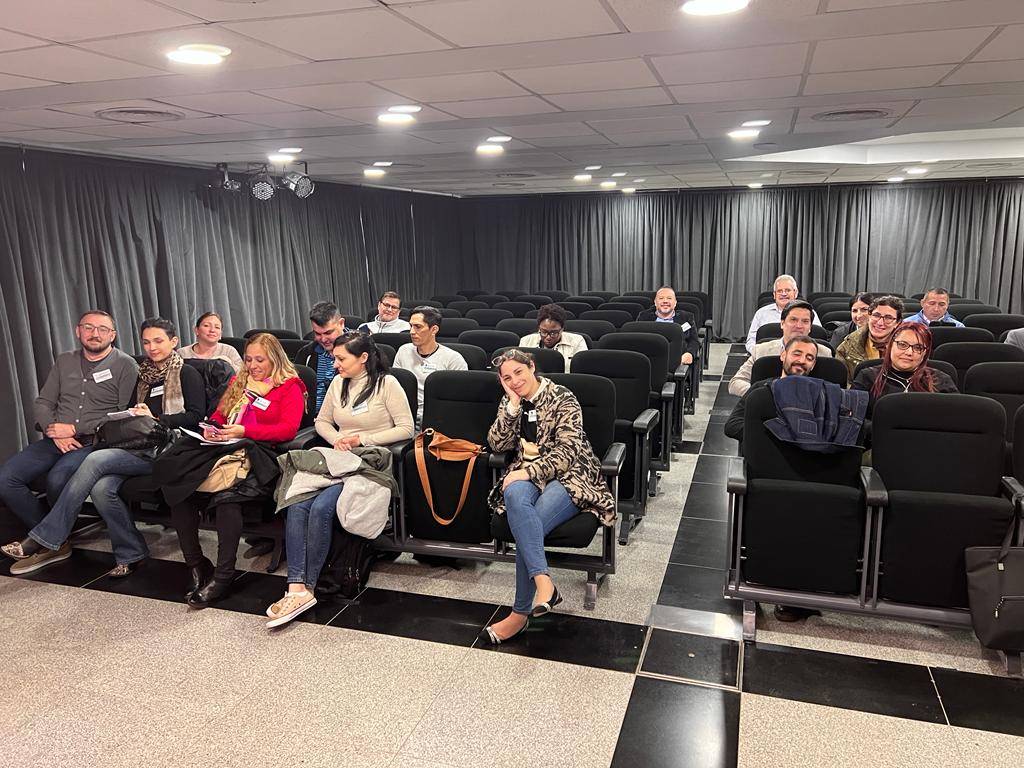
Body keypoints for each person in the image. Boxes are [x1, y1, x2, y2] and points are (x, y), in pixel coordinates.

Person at [2, 318, 205, 577]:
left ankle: (47, 536)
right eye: (146, 342)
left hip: (169, 450)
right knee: (101, 489)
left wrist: (157, 418)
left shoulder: (186, 373)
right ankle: (131, 553)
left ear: (173, 342)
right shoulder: (142, 375)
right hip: (136, 446)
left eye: (158, 341)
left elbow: (197, 417)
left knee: (95, 460)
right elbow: (126, 414)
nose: (152, 348)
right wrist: (133, 415)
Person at [265, 333, 414, 627]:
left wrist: (361, 439)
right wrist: (337, 439)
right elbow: (322, 422)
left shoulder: (387, 384)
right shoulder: (338, 383)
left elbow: (406, 429)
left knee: (321, 508)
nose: (335, 364)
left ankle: (308, 587)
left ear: (363, 358)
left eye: (341, 359)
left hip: (370, 461)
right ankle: (296, 586)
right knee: (297, 503)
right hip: (338, 458)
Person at [481, 349, 615, 644]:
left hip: (569, 474)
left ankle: (519, 614)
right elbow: (497, 444)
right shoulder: (511, 401)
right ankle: (544, 584)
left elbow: (568, 452)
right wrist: (512, 407)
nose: (515, 381)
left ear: (532, 367)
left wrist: (528, 472)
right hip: (527, 473)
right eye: (507, 378)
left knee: (530, 524)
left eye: (519, 372)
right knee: (514, 494)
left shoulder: (562, 397)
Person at [162, 333, 306, 607]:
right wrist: (213, 428)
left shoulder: (290, 386)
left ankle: (223, 576)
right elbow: (220, 415)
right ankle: (196, 564)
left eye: (260, 360)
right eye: (248, 359)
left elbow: (288, 430)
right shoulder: (239, 381)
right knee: (179, 488)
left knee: (228, 500)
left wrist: (244, 431)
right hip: (225, 448)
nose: (252, 366)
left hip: (262, 456)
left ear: (275, 359)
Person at [0, 310, 137, 574]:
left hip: (94, 442)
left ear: (113, 335)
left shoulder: (125, 365)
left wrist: (74, 429)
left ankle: (46, 540)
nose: (95, 334)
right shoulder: (65, 361)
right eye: (89, 327)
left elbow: (122, 415)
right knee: (6, 479)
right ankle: (54, 539)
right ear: (78, 331)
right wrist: (56, 432)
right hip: (55, 439)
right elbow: (43, 403)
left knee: (57, 479)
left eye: (102, 329)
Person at [724, 335, 819, 450]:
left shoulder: (821, 395)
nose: (802, 361)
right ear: (783, 355)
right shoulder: (760, 390)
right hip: (766, 453)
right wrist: (775, 436)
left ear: (813, 365)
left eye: (809, 358)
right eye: (796, 354)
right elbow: (732, 425)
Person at [851, 321, 958, 419]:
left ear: (925, 353)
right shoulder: (867, 377)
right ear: (890, 345)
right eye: (902, 345)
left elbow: (956, 420)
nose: (909, 352)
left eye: (918, 348)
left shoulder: (940, 380)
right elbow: (852, 420)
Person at [729, 301, 832, 397]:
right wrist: (765, 394)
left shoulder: (824, 353)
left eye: (805, 321)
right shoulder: (761, 350)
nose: (799, 326)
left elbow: (832, 389)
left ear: (810, 327)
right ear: (782, 323)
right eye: (793, 320)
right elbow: (735, 382)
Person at [394, 306, 467, 426]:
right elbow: (395, 387)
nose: (412, 331)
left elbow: (458, 400)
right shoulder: (403, 351)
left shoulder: (453, 359)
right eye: (411, 326)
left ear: (434, 330)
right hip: (404, 415)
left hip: (437, 419)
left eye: (418, 327)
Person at [836, 295, 905, 380]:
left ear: (897, 322)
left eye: (888, 318)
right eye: (876, 315)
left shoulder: (909, 347)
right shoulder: (847, 347)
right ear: (869, 316)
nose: (880, 323)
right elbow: (844, 383)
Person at [745, 274, 820, 353]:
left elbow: (818, 338)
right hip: (768, 355)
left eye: (787, 290)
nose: (783, 294)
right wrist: (758, 354)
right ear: (774, 295)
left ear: (795, 293)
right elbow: (751, 341)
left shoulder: (808, 313)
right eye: (780, 291)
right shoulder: (761, 313)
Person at [294, 301, 346, 413]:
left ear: (341, 323)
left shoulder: (359, 351)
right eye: (317, 334)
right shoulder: (306, 353)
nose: (323, 339)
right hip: (311, 416)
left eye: (328, 333)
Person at [637, 286, 699, 365]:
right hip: (650, 361)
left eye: (669, 298)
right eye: (661, 298)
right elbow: (638, 340)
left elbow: (694, 341)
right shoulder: (644, 317)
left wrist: (690, 354)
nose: (665, 301)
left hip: (678, 363)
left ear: (675, 303)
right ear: (655, 302)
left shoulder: (686, 318)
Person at [519, 304, 588, 365]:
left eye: (553, 333)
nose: (548, 337)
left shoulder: (577, 341)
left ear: (562, 329)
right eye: (544, 332)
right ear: (539, 328)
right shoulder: (525, 342)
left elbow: (581, 368)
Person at [178, 311, 243, 372]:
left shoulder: (229, 351)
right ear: (196, 330)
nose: (212, 330)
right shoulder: (183, 353)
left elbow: (243, 374)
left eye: (217, 327)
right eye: (206, 325)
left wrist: (228, 363)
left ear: (220, 334)